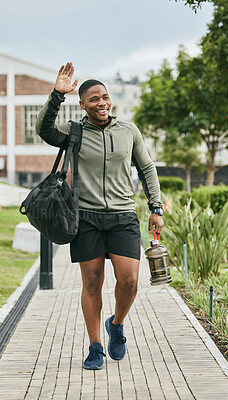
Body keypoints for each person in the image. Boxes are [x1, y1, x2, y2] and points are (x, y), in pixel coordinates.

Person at [35, 62, 164, 370]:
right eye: (94, 99)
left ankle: (116, 324)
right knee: (91, 282)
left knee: (130, 280)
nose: (102, 102)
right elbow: (44, 129)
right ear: (83, 104)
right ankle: (95, 347)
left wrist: (155, 206)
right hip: (86, 218)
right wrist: (56, 94)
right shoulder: (73, 131)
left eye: (104, 97)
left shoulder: (128, 131)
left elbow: (146, 168)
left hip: (122, 216)